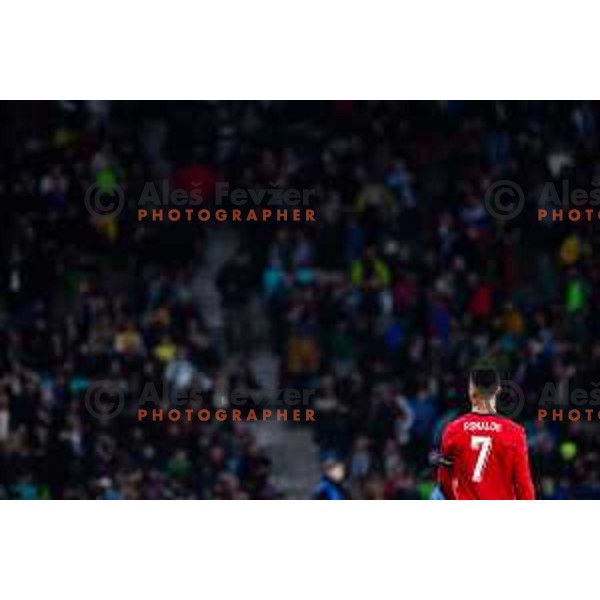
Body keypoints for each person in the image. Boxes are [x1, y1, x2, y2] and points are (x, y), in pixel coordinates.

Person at [436, 368, 535, 500]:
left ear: (471, 391)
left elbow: (444, 481)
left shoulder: (453, 430)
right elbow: (523, 485)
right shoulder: (514, 432)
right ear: (498, 390)